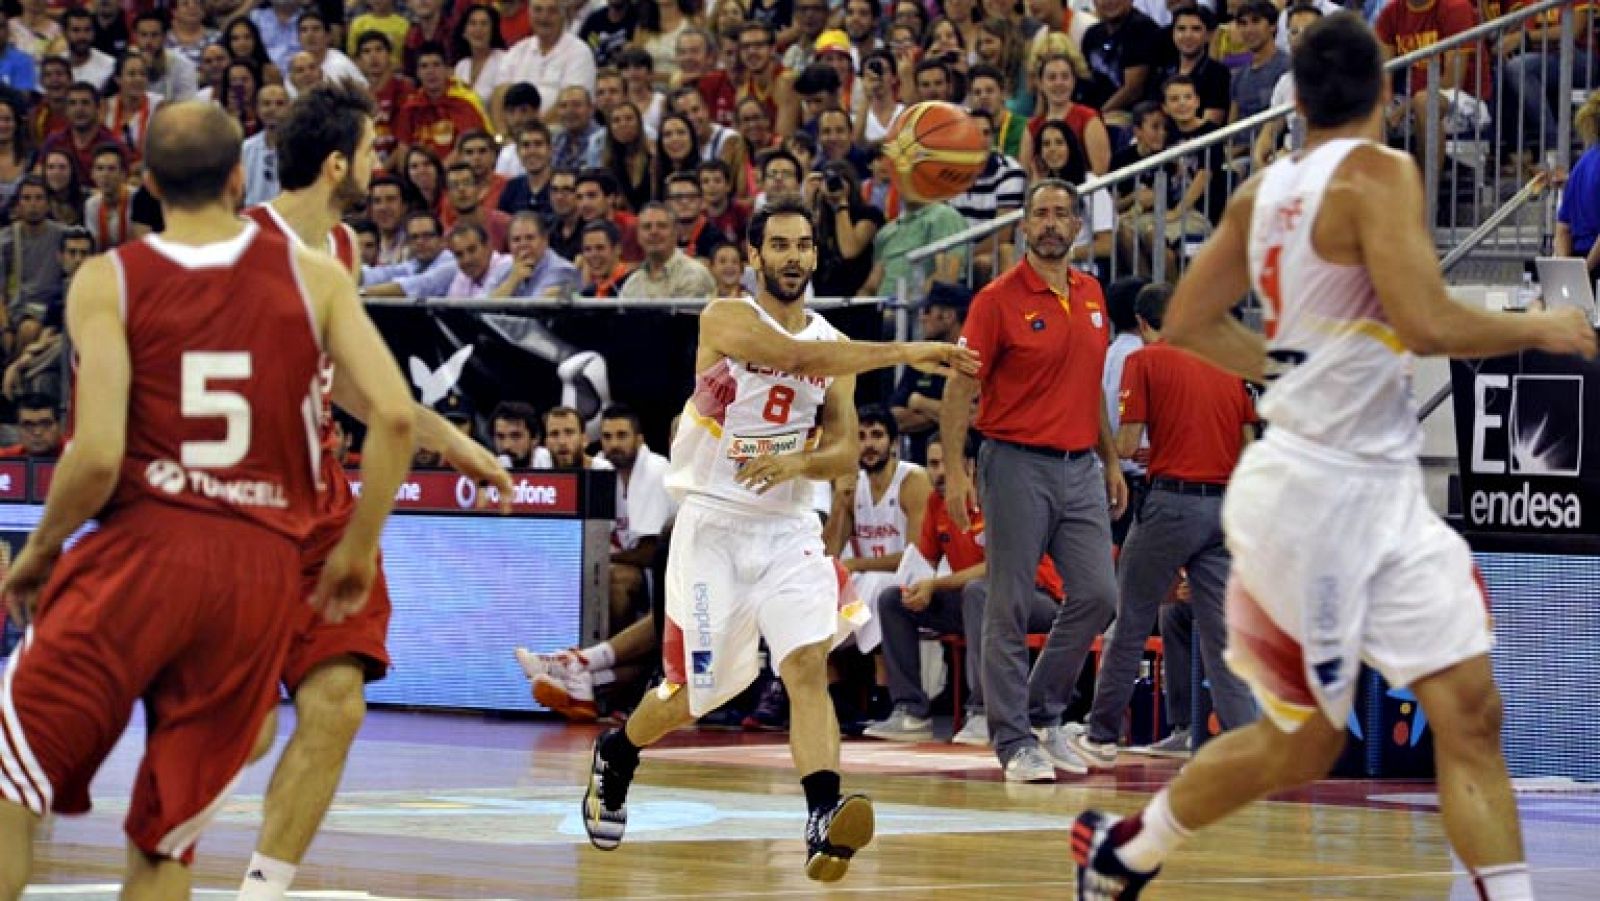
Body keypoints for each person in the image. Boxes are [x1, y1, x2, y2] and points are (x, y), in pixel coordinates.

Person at [1071, 15, 1598, 899]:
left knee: (1471, 710)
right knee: (1305, 740)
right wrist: (1542, 324)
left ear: (1298, 100)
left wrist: (1279, 361)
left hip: (1379, 489)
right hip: (1314, 494)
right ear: (1387, 93)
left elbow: (1192, 321)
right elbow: (1428, 322)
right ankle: (1129, 847)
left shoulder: (1262, 192)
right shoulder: (1381, 172)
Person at [0, 100, 417, 901]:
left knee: (10, 790)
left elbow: (95, 458)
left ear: (147, 183)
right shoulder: (315, 275)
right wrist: (360, 547)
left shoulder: (110, 276)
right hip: (257, 569)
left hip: (149, 546)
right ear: (237, 177)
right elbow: (395, 415)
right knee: (166, 847)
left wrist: (44, 549)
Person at [579, 199, 979, 881]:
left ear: (815, 256)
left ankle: (822, 815)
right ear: (756, 257)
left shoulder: (836, 347)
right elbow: (796, 355)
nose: (794, 256)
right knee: (693, 695)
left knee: (805, 665)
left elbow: (845, 446)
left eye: (804, 245)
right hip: (713, 523)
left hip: (789, 528)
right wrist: (908, 348)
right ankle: (618, 753)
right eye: (780, 245)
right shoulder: (726, 317)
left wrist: (799, 463)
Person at [236, 83, 513, 901]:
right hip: (242, 519)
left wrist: (455, 440)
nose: (377, 162)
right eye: (368, 150)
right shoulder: (239, 251)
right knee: (245, 735)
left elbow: (356, 391)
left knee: (338, 703)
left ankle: (263, 887)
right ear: (335, 162)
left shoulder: (344, 249)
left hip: (323, 513)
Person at [939, 178, 1123, 784]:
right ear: (1024, 225)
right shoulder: (995, 299)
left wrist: (1113, 460)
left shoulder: (1092, 292)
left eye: (1061, 214)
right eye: (1040, 213)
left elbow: (1091, 382)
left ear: (1076, 227)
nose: (1050, 222)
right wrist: (958, 469)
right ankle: (1013, 739)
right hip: (1014, 462)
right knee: (1009, 604)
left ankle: (1043, 712)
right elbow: (961, 386)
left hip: (1081, 466)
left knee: (1098, 594)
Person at [1065, 281, 1259, 770]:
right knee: (1221, 636)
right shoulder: (1229, 366)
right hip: (1223, 507)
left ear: (1145, 325)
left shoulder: (1144, 360)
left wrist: (1154, 451)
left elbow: (1127, 446)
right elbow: (1247, 450)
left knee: (1130, 619)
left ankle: (1102, 733)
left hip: (1170, 503)